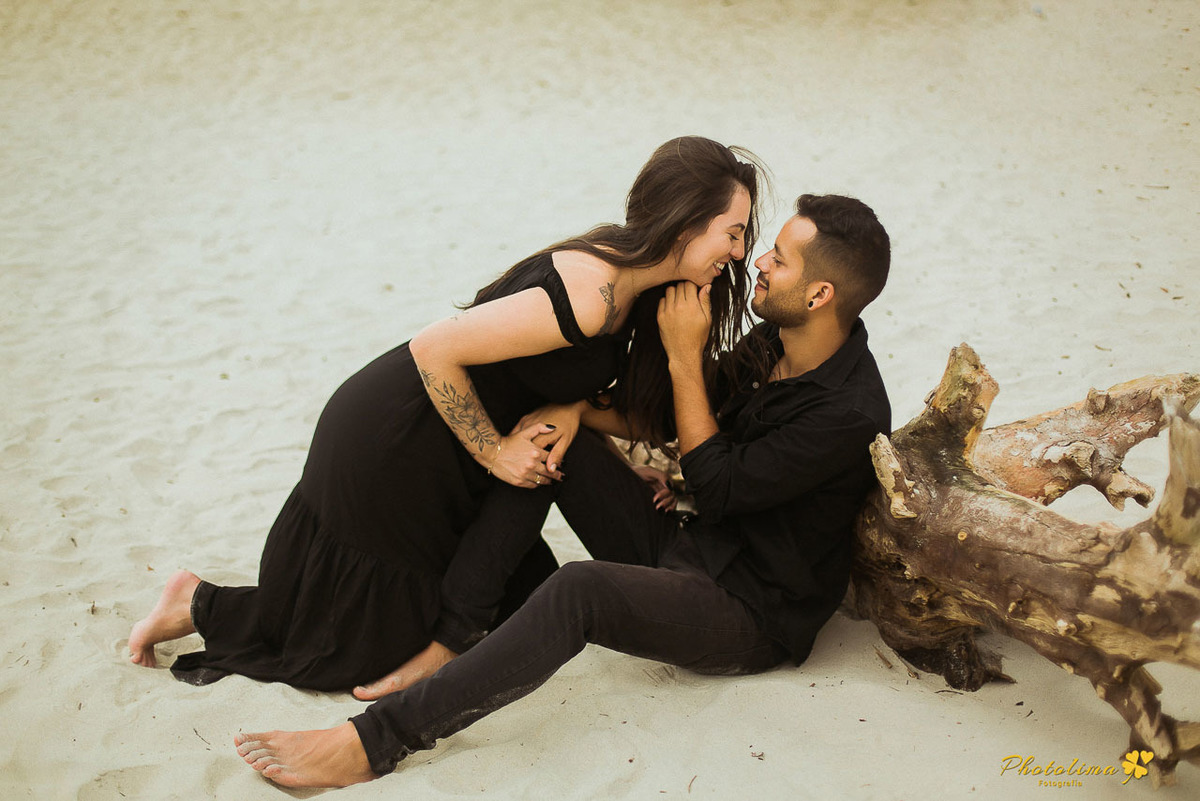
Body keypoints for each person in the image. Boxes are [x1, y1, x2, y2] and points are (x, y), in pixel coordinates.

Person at [232, 193, 894, 788]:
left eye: (778, 258)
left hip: (748, 609)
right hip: (689, 540)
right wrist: (576, 413)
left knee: (580, 589)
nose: (758, 263)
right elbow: (680, 424)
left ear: (819, 295)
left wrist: (684, 355)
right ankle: (454, 633)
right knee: (553, 433)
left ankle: (375, 740)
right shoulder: (775, 337)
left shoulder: (850, 410)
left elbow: (717, 481)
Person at [127, 136, 764, 693]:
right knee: (366, 648)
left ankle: (196, 601)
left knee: (496, 613)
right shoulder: (592, 293)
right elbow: (433, 348)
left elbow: (613, 403)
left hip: (453, 449)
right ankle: (196, 601)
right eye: (731, 232)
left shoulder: (641, 292)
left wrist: (572, 406)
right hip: (401, 437)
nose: (738, 252)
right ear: (685, 226)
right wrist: (493, 450)